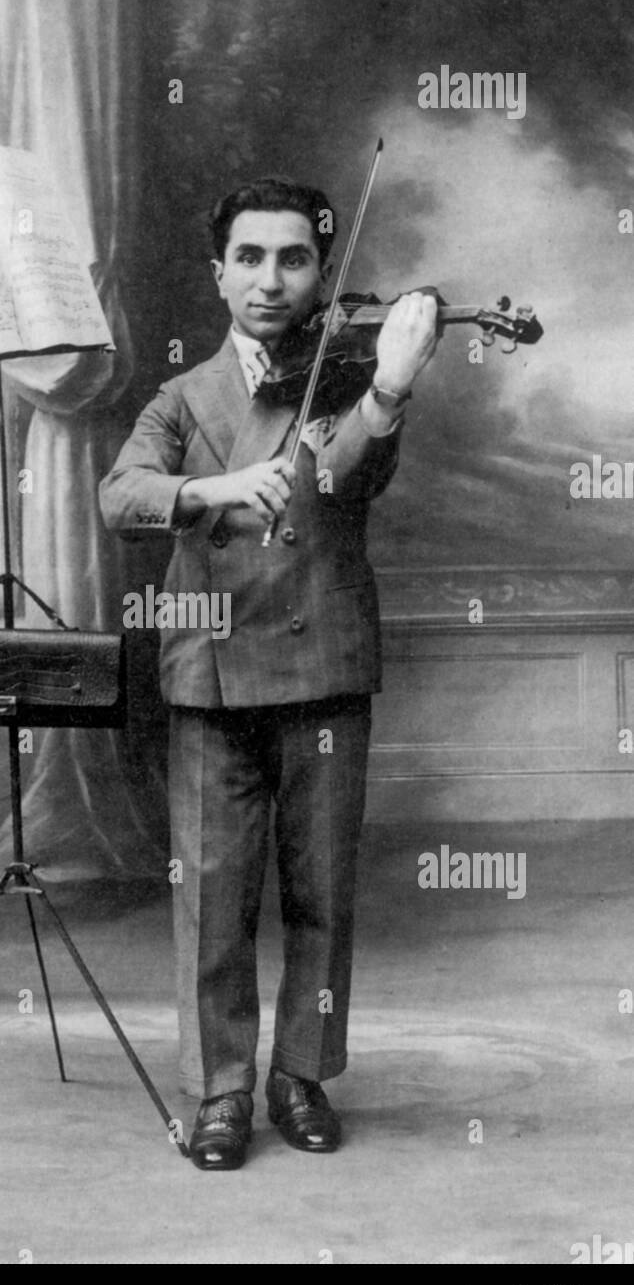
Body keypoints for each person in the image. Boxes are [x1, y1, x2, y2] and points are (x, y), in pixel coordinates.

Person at [99, 176, 439, 1170]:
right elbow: (121, 496)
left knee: (322, 891)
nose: (269, 279)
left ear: (317, 272)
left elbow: (345, 470)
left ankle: (300, 1074)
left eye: (292, 259)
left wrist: (389, 383)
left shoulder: (347, 386)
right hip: (209, 669)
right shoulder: (179, 398)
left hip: (323, 661)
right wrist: (208, 487)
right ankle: (218, 1089)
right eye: (248, 258)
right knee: (208, 892)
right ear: (217, 274)